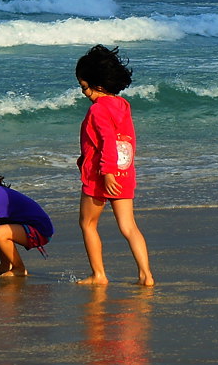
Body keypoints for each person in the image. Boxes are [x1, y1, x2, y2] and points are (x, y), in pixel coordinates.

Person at [75, 44, 154, 287]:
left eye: (84, 87)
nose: (83, 92)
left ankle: (99, 275)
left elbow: (108, 140)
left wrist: (106, 172)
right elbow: (125, 139)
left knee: (87, 223)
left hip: (101, 174)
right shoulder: (122, 105)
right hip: (125, 172)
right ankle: (146, 275)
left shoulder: (98, 109)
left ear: (97, 85)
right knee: (129, 226)